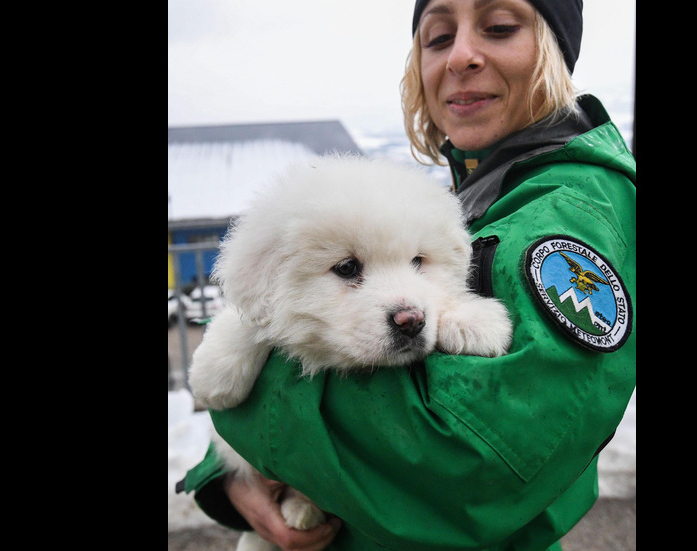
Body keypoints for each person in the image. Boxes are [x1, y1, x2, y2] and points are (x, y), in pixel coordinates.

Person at [176, 0, 635, 549]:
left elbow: (467, 463)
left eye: (500, 27)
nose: (462, 55)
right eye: (438, 37)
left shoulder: (565, 219)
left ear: (554, 54)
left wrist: (247, 419)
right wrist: (230, 477)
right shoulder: (487, 185)